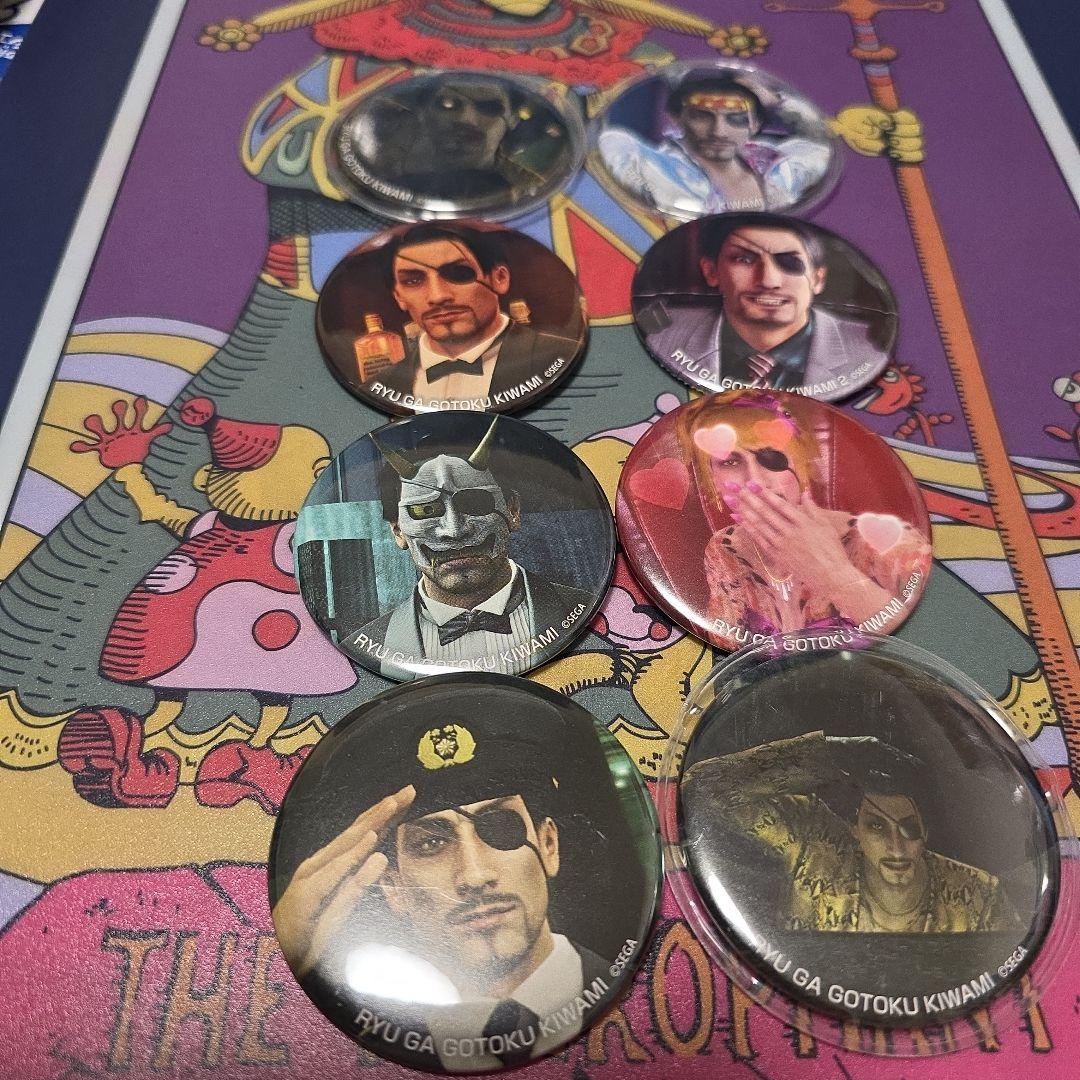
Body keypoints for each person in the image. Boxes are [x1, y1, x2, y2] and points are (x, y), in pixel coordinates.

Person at [272, 709, 619, 1071]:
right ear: (394, 888)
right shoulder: (348, 1045)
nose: (473, 876)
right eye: (431, 843)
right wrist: (284, 966)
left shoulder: (631, 994)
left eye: (499, 826)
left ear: (549, 846)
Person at [684, 731, 1014, 933]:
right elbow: (701, 788)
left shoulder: (980, 894)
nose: (896, 847)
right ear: (854, 828)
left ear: (926, 832)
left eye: (909, 829)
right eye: (876, 826)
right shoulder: (815, 845)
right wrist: (830, 752)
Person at [672, 392, 931, 640]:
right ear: (711, 478)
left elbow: (918, 633)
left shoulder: (889, 544)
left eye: (772, 457)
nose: (756, 481)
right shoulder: (724, 547)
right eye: (730, 462)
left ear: (801, 461)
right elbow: (727, 638)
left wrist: (832, 572)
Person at [349, 417, 592, 673]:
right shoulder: (370, 642)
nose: (454, 530)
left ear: (513, 511)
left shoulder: (585, 610)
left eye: (475, 503)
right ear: (398, 531)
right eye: (425, 510)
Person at [642, 214, 891, 396]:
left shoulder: (868, 349)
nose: (768, 281)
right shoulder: (663, 337)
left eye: (790, 263)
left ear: (818, 279)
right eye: (744, 259)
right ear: (711, 272)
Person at [363, 223, 583, 408]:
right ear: (399, 297)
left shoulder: (558, 353)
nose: (438, 296)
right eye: (413, 281)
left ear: (499, 278)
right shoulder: (380, 384)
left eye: (459, 273)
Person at [599, 73, 831, 217]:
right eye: (702, 116)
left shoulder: (782, 166)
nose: (719, 131)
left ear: (755, 125)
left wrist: (779, 103)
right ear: (676, 118)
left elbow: (829, 138)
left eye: (736, 119)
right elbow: (605, 140)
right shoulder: (649, 164)